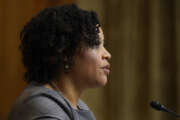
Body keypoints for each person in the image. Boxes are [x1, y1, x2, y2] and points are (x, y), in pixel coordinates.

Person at [8, 4, 111, 120]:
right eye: (95, 44)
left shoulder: (78, 106)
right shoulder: (41, 106)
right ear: (66, 51)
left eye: (103, 45)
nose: (107, 54)